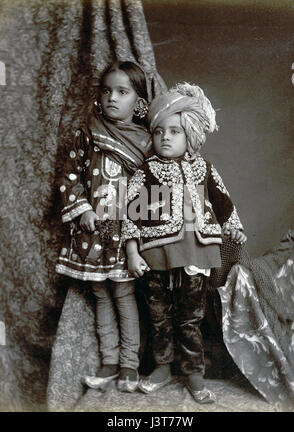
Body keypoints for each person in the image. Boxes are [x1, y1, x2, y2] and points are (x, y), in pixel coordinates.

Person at [122, 82, 247, 404]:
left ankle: (193, 373)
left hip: (196, 250)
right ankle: (162, 368)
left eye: (174, 131)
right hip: (155, 254)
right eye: (160, 131)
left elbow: (223, 202)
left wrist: (233, 228)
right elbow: (129, 213)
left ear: (189, 134)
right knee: (158, 315)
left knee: (190, 315)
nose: (165, 137)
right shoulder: (146, 172)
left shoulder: (204, 168)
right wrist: (133, 252)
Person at [56, 61, 151, 393]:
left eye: (122, 92)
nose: (112, 98)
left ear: (139, 103)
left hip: (125, 235)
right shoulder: (87, 132)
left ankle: (129, 365)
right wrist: (81, 207)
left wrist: (135, 232)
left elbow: (150, 192)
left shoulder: (147, 143)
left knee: (125, 296)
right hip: (92, 231)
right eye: (107, 90)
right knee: (101, 296)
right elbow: (70, 175)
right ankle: (109, 361)